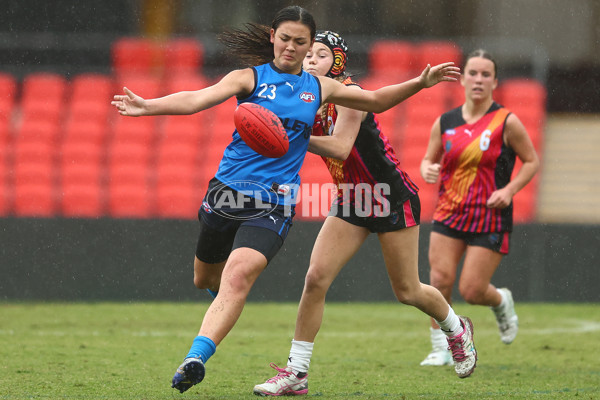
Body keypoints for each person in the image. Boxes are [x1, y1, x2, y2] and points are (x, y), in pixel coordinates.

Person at [111, 6, 460, 394]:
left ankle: (198, 357)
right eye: (287, 39)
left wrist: (420, 82)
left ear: (311, 45)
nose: (294, 49)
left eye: (303, 43)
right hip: (227, 192)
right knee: (205, 279)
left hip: (279, 201)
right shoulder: (249, 78)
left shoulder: (322, 88)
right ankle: (224, 303)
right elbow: (198, 99)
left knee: (241, 276)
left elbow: (374, 101)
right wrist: (149, 106)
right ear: (273, 37)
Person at [253, 31, 476, 397]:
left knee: (408, 290)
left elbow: (340, 148)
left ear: (337, 63)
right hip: (352, 197)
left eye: (320, 55)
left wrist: (287, 136)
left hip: (388, 195)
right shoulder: (304, 97)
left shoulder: (349, 95)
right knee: (315, 279)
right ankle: (297, 372)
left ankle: (455, 328)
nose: (309, 60)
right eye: (308, 54)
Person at [418, 49, 539, 366]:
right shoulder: (445, 121)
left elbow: (531, 161)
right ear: (463, 78)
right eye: (473, 72)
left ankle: (501, 301)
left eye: (486, 74)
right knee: (439, 281)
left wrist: (510, 190)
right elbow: (429, 160)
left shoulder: (506, 121)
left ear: (495, 81)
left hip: (490, 216)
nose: (478, 79)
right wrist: (427, 169)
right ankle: (441, 347)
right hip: (449, 212)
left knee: (471, 290)